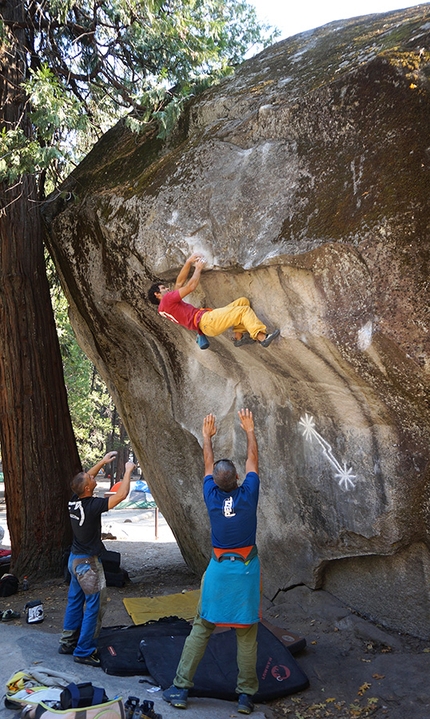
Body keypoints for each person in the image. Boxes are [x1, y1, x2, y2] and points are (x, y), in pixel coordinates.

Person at [163, 409, 261, 715]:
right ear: (237, 479)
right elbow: (253, 462)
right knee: (246, 631)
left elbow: (208, 464)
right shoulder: (249, 493)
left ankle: (180, 689)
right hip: (245, 570)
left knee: (202, 626)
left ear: (216, 484)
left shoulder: (211, 496)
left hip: (219, 569)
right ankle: (245, 696)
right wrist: (249, 431)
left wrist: (207, 437)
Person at [58, 452, 135, 666]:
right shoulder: (92, 506)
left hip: (74, 561)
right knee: (94, 605)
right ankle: (84, 651)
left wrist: (101, 462)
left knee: (75, 601)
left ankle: (67, 641)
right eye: (92, 478)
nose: (94, 476)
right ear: (88, 489)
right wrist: (128, 470)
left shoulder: (74, 500)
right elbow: (121, 495)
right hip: (88, 565)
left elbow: (82, 479)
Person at [147, 253, 280, 349]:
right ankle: (262, 337)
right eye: (163, 288)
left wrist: (188, 262)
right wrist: (198, 268)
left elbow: (179, 282)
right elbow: (191, 287)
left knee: (242, 302)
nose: (167, 289)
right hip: (207, 321)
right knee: (243, 311)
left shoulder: (164, 308)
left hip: (206, 324)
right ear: (157, 294)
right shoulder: (167, 300)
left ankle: (239, 337)